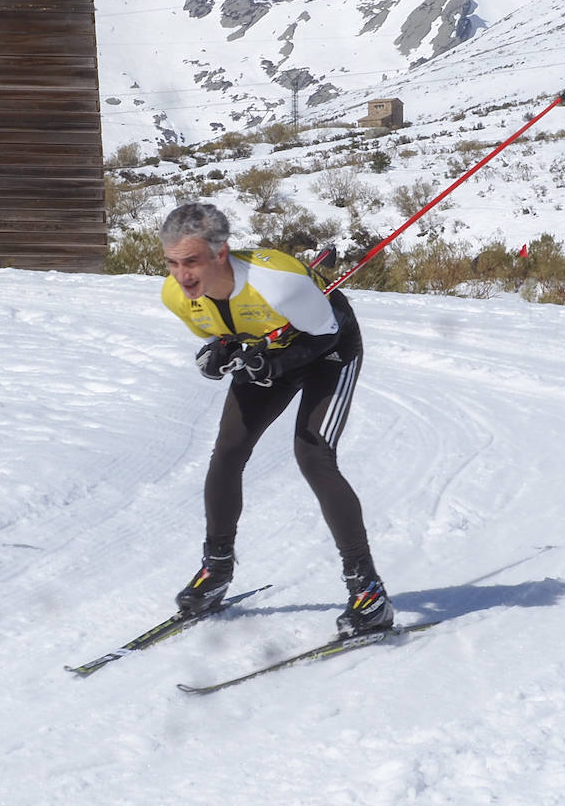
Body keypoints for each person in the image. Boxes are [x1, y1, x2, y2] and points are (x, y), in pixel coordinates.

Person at [159, 202, 393, 638]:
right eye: (172, 263)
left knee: (313, 454)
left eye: (191, 261)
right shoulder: (176, 296)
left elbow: (327, 333)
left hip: (331, 350)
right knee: (228, 451)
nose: (182, 275)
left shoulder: (279, 284)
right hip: (272, 352)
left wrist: (274, 365)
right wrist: (222, 352)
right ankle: (217, 570)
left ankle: (368, 590)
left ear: (221, 253)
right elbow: (229, 330)